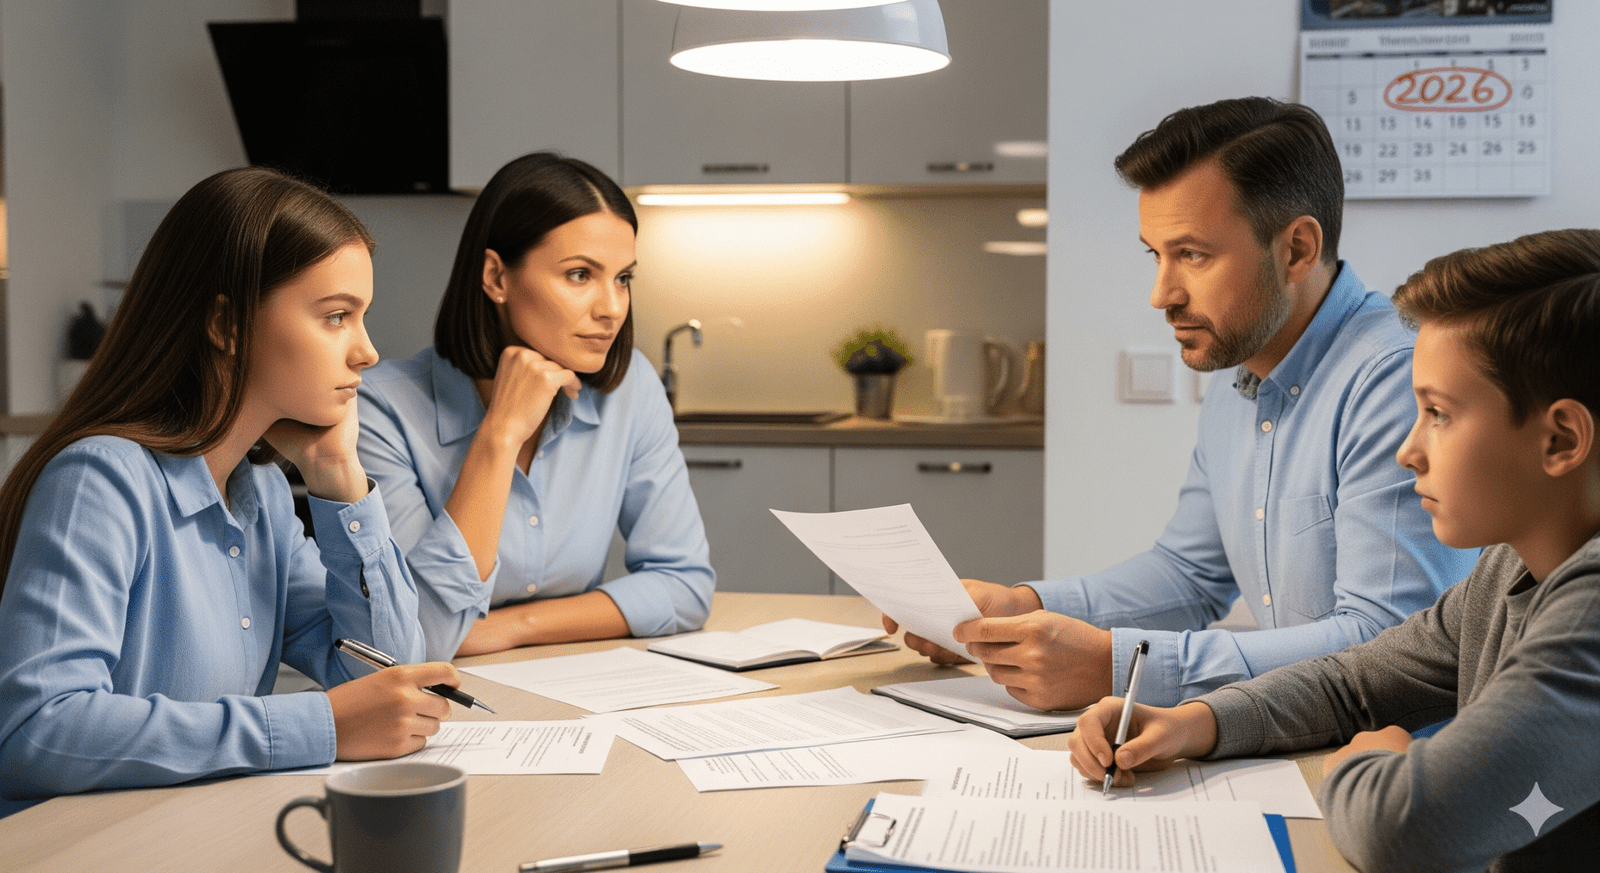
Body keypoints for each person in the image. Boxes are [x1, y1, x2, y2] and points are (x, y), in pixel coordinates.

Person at [889, 96, 1478, 710]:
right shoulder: (1239, 372)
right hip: (1283, 729)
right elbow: (1190, 575)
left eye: (1192, 255)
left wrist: (1124, 668)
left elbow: (1385, 644)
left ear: (1297, 250)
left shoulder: (1396, 381)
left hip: (1387, 759)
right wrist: (1024, 607)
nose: (1161, 294)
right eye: (1157, 254)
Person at [1067, 228, 1600, 872]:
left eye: (1438, 413)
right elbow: (1356, 681)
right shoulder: (1512, 564)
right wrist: (1197, 721)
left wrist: (1360, 764)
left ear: (1561, 439)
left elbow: (1403, 830)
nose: (1409, 451)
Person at [0, 167, 459, 800]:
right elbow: (35, 731)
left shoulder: (262, 494)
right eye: (335, 318)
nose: (367, 352)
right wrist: (315, 725)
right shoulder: (101, 481)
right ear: (227, 325)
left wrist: (338, 479)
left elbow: (386, 675)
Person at [357, 152, 713, 660]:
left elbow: (686, 585)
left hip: (578, 685)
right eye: (579, 275)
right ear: (497, 277)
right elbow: (416, 633)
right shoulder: (380, 407)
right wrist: (500, 435)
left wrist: (515, 626)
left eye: (623, 278)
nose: (611, 307)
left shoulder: (630, 386)